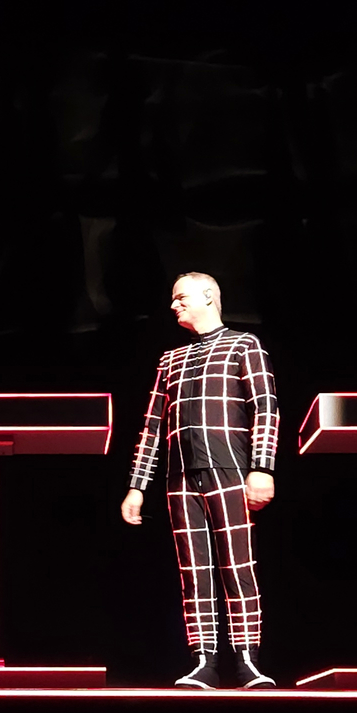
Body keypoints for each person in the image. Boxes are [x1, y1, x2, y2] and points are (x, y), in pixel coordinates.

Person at [121, 272, 280, 689]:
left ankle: (247, 661)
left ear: (208, 296)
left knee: (238, 566)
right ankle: (204, 661)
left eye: (181, 297)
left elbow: (265, 407)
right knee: (194, 571)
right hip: (180, 478)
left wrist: (262, 467)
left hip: (231, 469)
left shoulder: (244, 345)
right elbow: (152, 426)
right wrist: (137, 486)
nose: (173, 305)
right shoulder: (170, 359)